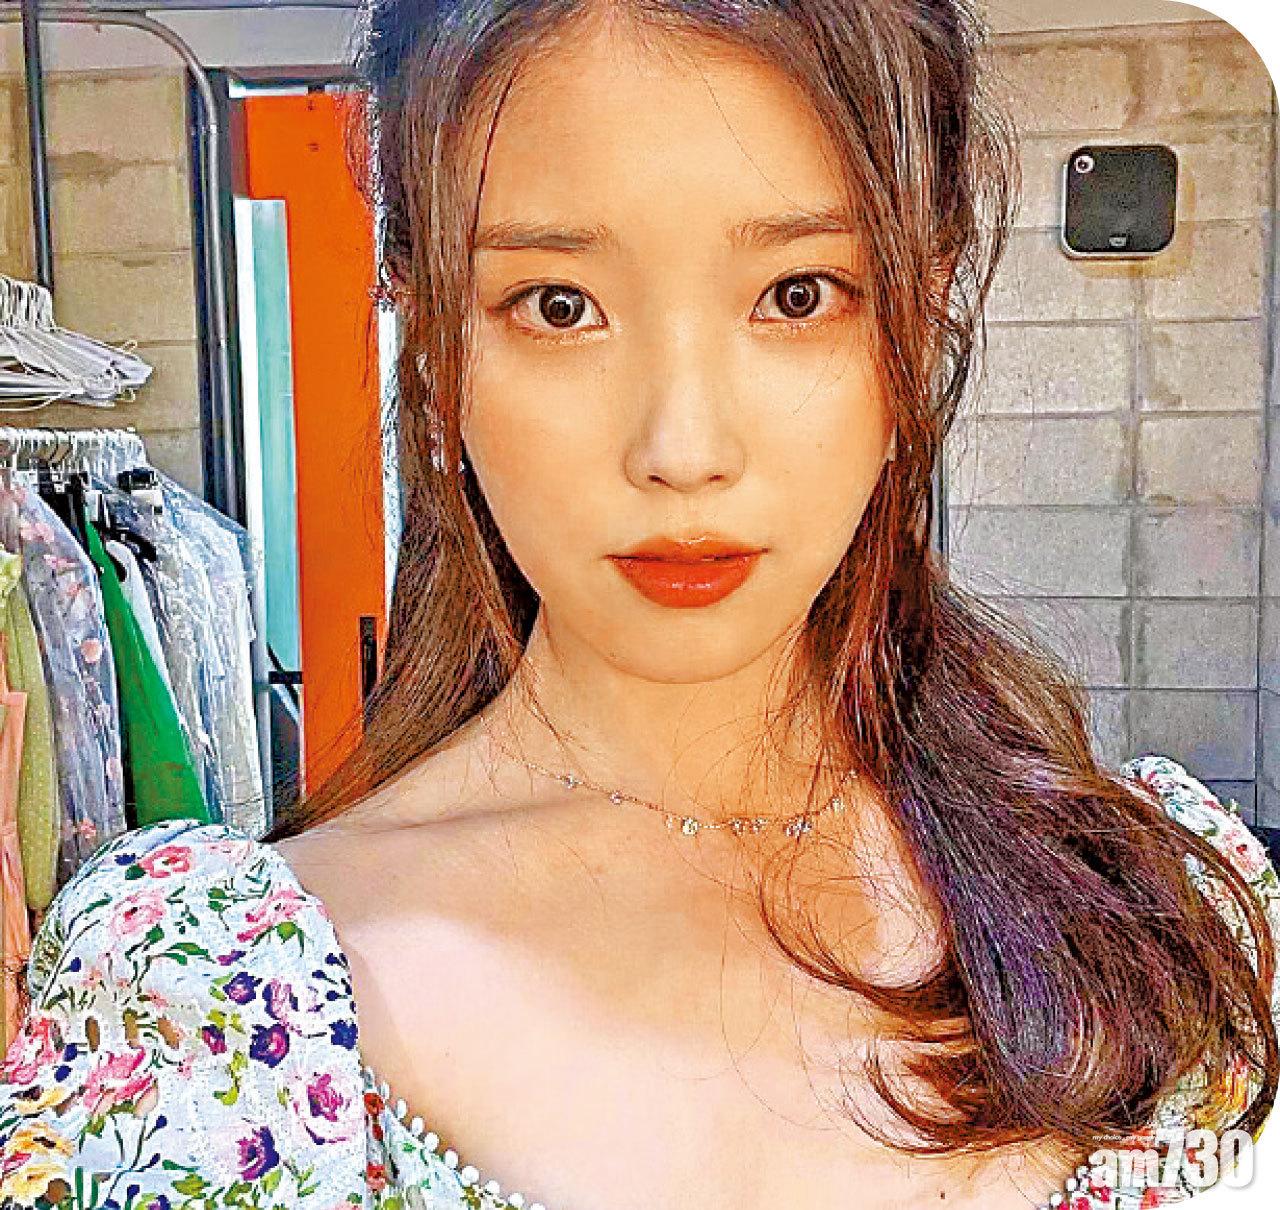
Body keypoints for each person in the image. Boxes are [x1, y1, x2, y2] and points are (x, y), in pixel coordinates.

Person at [3, 1, 1279, 1207]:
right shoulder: (199, 1012)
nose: (681, 450)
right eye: (559, 307)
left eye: (796, 294)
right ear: (437, 352)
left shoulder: (1171, 916)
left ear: (921, 318)